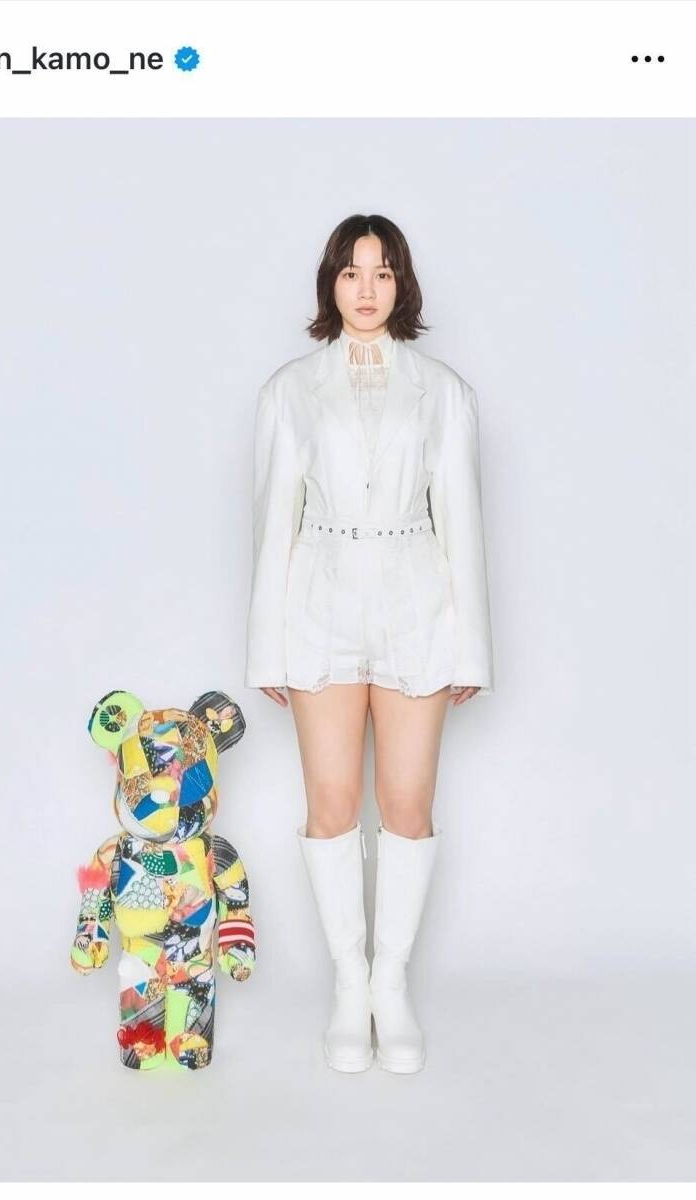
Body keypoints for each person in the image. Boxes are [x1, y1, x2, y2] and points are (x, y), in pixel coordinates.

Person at [244, 213, 494, 1073]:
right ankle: (350, 985)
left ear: (402, 285)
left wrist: (472, 650)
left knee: (408, 804)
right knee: (331, 802)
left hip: (417, 602)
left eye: (382, 273)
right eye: (352, 272)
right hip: (318, 602)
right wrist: (267, 649)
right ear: (330, 282)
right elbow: (272, 522)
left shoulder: (444, 391)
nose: (366, 289)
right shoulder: (289, 391)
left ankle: (392, 982)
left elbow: (461, 520)